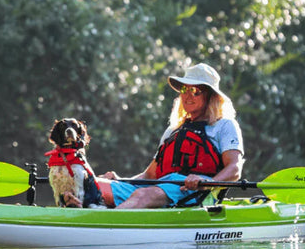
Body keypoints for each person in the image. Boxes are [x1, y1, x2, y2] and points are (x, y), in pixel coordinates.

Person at [97, 63, 244, 209]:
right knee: (96, 186)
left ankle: (104, 227)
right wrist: (121, 181)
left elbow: (234, 169)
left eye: (194, 90)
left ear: (211, 96)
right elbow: (149, 175)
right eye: (184, 89)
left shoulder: (225, 125)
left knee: (143, 195)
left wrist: (209, 183)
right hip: (161, 187)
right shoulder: (174, 130)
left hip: (197, 193)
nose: (187, 96)